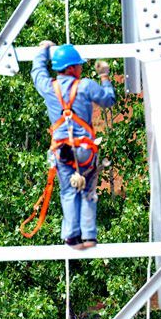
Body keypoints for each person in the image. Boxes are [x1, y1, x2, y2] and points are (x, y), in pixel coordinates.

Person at [32, 42, 115, 249]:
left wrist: (43, 50)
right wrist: (104, 77)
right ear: (70, 68)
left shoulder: (49, 87)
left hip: (63, 151)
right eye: (78, 66)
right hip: (84, 150)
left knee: (69, 192)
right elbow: (109, 100)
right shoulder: (85, 86)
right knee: (87, 191)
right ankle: (88, 236)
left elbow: (37, 70)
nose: (81, 69)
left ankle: (72, 236)